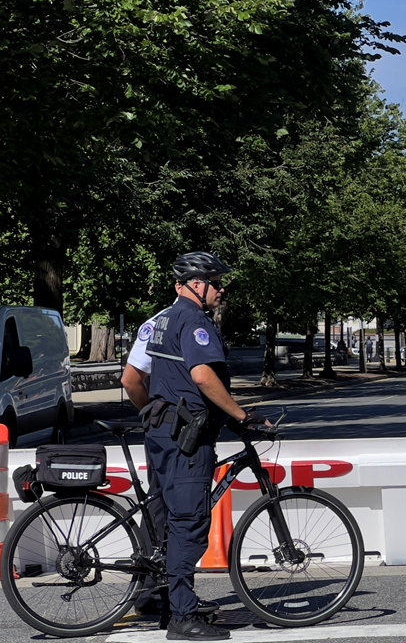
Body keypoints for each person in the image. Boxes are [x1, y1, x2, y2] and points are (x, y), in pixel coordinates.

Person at [144, 252, 265, 641]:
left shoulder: (162, 319)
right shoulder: (195, 320)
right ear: (197, 285)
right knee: (188, 525)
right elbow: (202, 375)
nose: (222, 288)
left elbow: (135, 377)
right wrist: (243, 417)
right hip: (186, 438)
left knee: (166, 519)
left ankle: (165, 602)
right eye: (216, 281)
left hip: (161, 430)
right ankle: (182, 618)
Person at [119, 304, 217, 628]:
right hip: (179, 434)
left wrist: (154, 414)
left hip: (159, 433)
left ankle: (159, 599)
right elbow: (131, 380)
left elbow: (133, 379)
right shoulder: (184, 323)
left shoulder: (156, 322)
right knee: (176, 516)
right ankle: (168, 605)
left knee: (160, 510)